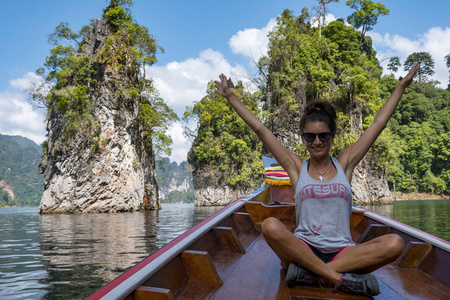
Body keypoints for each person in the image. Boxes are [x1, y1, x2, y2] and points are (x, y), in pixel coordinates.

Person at [214, 62, 420, 297]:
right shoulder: (296, 167)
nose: (317, 141)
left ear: (332, 135)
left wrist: (401, 87)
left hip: (343, 253)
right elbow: (261, 129)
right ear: (303, 138)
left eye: (323, 135)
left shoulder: (345, 163)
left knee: (395, 243)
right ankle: (335, 278)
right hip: (303, 250)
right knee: (271, 225)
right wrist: (230, 96)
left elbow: (378, 124)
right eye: (310, 136)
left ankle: (310, 275)